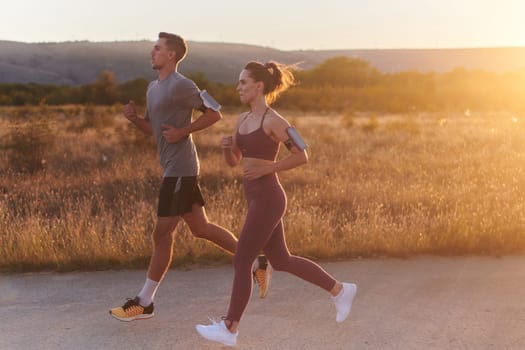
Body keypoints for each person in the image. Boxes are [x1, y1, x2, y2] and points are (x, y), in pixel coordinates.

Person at [109, 32, 272, 322]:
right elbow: (155, 130)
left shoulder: (181, 85)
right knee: (201, 228)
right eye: (153, 48)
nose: (152, 52)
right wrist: (135, 120)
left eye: (157, 49)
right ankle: (255, 259)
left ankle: (144, 302)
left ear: (171, 55)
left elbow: (215, 113)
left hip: (181, 168)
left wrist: (184, 132)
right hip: (174, 168)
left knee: (161, 233)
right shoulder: (152, 87)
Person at [195, 61, 357, 347]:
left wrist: (268, 169)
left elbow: (302, 155)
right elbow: (235, 163)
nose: (238, 87)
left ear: (259, 86)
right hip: (255, 196)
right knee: (281, 260)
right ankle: (340, 290)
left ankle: (230, 327)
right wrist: (225, 150)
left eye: (244, 82)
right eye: (238, 82)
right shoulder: (243, 120)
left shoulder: (275, 121)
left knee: (242, 259)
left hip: (269, 198)